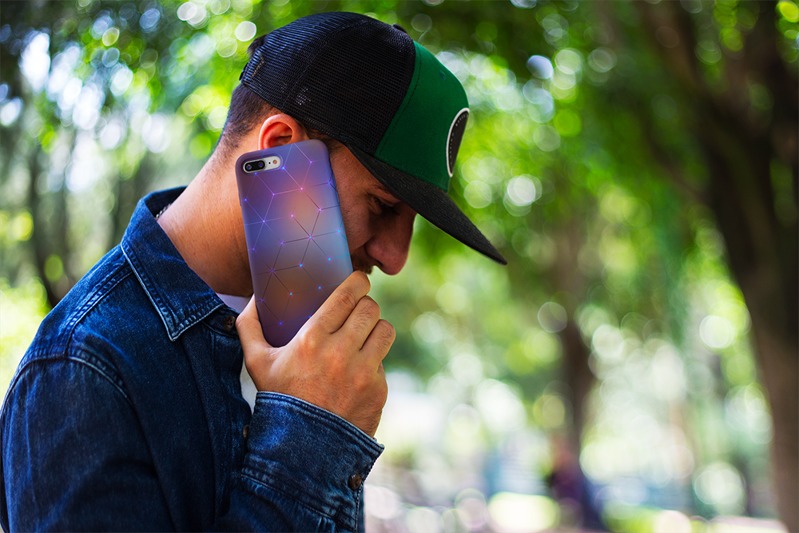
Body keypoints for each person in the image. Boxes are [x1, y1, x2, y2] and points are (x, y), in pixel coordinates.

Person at [0, 11, 506, 531]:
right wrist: (310, 432)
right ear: (280, 147)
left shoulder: (309, 344)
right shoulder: (82, 369)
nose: (395, 258)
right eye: (382, 205)